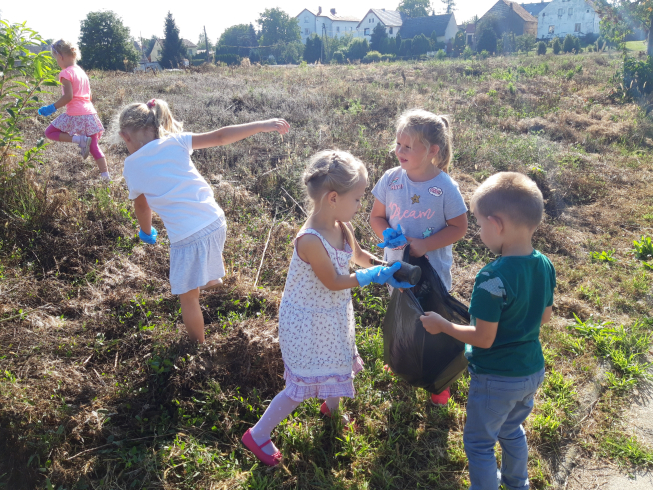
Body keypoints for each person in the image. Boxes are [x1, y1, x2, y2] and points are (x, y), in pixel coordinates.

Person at [241, 150, 412, 467]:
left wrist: (389, 266)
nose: (361, 205)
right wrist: (369, 277)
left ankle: (330, 409)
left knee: (336, 359)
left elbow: (359, 257)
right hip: (306, 321)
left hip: (332, 315)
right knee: (300, 383)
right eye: (358, 198)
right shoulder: (311, 240)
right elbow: (334, 281)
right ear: (333, 197)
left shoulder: (340, 225)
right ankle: (258, 434)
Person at [420, 172, 556, 490]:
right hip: (532, 371)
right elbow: (546, 317)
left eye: (480, 225)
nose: (480, 232)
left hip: (497, 377)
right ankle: (517, 483)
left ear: (497, 224)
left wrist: (443, 326)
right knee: (511, 429)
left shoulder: (491, 277)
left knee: (480, 445)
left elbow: (483, 338)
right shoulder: (544, 264)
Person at [117, 98, 290, 343]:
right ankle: (211, 277)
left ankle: (198, 347)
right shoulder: (176, 141)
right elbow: (220, 137)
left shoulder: (131, 166)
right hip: (215, 221)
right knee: (204, 254)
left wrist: (146, 232)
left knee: (188, 298)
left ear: (125, 136)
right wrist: (263, 124)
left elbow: (142, 205)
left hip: (187, 238)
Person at [370, 108, 468, 405]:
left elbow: (459, 227)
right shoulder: (390, 180)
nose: (399, 151)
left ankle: (437, 381)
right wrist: (386, 233)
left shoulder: (444, 187)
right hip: (397, 266)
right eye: (398, 144)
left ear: (432, 150)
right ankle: (401, 361)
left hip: (432, 270)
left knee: (431, 318)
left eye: (407, 146)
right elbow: (376, 217)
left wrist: (425, 245)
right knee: (402, 313)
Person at [38, 40, 110, 181]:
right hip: (90, 113)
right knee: (94, 147)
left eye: (56, 59)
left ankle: (80, 140)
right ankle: (106, 176)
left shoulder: (65, 73)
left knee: (49, 132)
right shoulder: (81, 72)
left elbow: (68, 96)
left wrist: (52, 107)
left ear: (61, 57)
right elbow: (89, 96)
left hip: (75, 113)